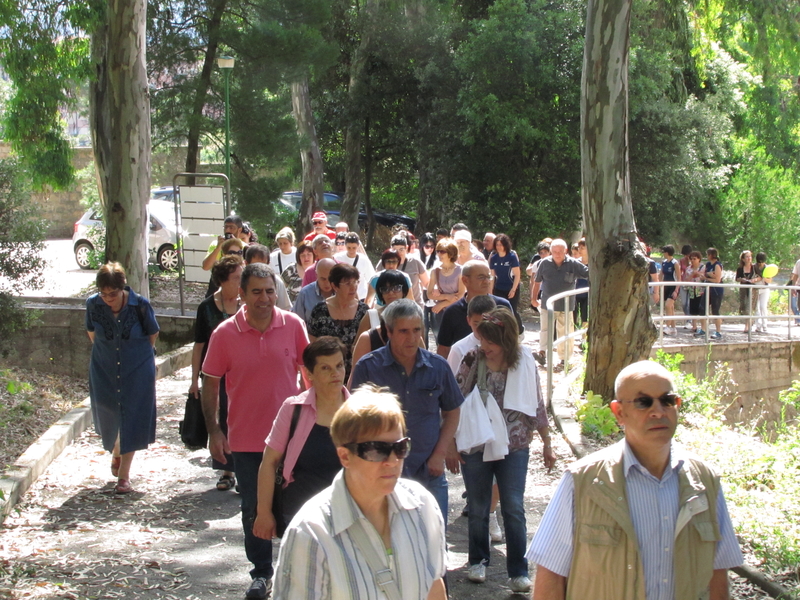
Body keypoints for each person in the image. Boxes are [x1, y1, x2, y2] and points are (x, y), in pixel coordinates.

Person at [527, 360, 743, 600]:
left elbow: (717, 573)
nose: (658, 411)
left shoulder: (705, 481)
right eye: (644, 402)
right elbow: (551, 574)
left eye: (668, 400)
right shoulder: (583, 481)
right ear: (619, 412)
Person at [272, 386, 447, 600]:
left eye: (400, 447)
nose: (392, 461)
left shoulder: (423, 506)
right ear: (345, 457)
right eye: (376, 450)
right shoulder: (310, 534)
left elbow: (434, 588)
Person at [201, 263, 309, 599]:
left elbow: (310, 376)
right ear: (242, 295)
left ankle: (299, 570)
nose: (264, 298)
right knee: (253, 508)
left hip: (293, 438)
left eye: (269, 291)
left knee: (298, 505)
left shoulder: (293, 326)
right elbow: (211, 383)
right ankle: (261, 573)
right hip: (246, 440)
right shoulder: (224, 334)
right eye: (256, 292)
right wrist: (214, 432)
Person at [454, 308, 555, 593]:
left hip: (516, 444)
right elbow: (456, 398)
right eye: (482, 340)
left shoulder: (524, 362)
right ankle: (477, 560)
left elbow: (537, 404)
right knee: (478, 505)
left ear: (507, 341)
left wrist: (547, 443)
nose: (485, 347)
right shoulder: (473, 358)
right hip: (478, 441)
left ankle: (518, 571)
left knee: (513, 506)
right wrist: (449, 442)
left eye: (492, 342)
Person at [350, 300, 464, 521]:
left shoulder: (438, 366)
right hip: (382, 474)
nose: (411, 338)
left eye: (416, 330)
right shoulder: (368, 367)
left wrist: (440, 453)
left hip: (429, 470)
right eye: (403, 331)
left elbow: (452, 412)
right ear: (388, 332)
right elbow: (355, 418)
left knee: (434, 544)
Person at [253, 337, 349, 540]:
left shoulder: (360, 411)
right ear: (309, 374)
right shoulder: (293, 409)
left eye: (339, 365)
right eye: (325, 368)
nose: (335, 373)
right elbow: (269, 462)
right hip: (300, 515)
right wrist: (264, 513)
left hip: (348, 517)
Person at [85, 262, 159, 494]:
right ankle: (117, 449)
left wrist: (137, 359)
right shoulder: (92, 305)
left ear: (123, 287)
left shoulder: (140, 305)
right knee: (110, 416)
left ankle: (124, 476)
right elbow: (92, 334)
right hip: (104, 369)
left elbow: (152, 335)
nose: (108, 298)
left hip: (136, 369)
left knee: (132, 417)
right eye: (103, 293)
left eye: (113, 293)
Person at [189, 256, 242, 491]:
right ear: (222, 280)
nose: (241, 283)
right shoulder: (207, 307)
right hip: (216, 375)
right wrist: (193, 381)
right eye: (237, 278)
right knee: (223, 419)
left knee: (244, 419)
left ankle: (246, 472)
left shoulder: (247, 305)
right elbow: (199, 345)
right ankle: (227, 470)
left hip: (244, 373)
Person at [530, 239, 589, 370]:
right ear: (551, 251)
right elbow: (537, 282)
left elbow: (589, 274)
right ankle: (542, 353)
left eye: (560, 252)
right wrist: (534, 298)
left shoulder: (573, 264)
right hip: (547, 304)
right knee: (545, 329)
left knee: (565, 331)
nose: (557, 254)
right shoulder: (544, 263)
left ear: (565, 251)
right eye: (554, 251)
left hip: (566, 305)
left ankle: (564, 359)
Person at [436, 260, 513, 359]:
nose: (486, 281)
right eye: (481, 277)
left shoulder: (502, 306)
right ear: (465, 280)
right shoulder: (452, 312)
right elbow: (444, 349)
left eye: (488, 277)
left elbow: (512, 341)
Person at [308, 264, 369, 380]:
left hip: (358, 374)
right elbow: (312, 343)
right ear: (334, 286)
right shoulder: (319, 310)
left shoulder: (364, 311)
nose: (353, 287)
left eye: (355, 282)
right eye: (347, 283)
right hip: (327, 375)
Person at [350, 270, 414, 371]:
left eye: (396, 288)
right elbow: (356, 348)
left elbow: (421, 352)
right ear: (381, 293)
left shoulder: (414, 317)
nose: (391, 293)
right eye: (385, 289)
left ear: (404, 291)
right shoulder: (371, 316)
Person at [427, 238, 465, 338]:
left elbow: (461, 294)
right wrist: (447, 297)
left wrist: (444, 303)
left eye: (442, 251)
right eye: (438, 251)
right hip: (439, 312)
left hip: (457, 310)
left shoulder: (461, 270)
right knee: (440, 341)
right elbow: (429, 294)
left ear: (451, 253)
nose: (439, 254)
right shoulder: (435, 271)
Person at [489, 233, 523, 333]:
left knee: (512, 311)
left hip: (511, 287)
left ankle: (519, 331)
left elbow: (517, 274)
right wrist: (491, 291)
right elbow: (492, 276)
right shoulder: (494, 258)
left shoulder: (512, 257)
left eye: (501, 244)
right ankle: (503, 331)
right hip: (498, 288)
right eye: (497, 244)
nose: (499, 247)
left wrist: (513, 289)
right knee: (499, 311)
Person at [244, 244, 292, 310]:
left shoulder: (276, 281)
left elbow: (285, 309)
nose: (260, 269)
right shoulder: (239, 281)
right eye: (256, 266)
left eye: (263, 265)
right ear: (246, 263)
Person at [292, 258, 336, 326]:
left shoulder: (342, 292)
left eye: (330, 279)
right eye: (323, 279)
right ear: (316, 275)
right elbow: (296, 323)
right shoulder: (305, 294)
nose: (327, 283)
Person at [388, 235, 429, 308]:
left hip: (414, 307)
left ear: (406, 248)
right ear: (391, 249)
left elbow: (427, 283)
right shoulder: (385, 263)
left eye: (401, 249)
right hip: (392, 308)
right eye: (395, 249)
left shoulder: (415, 262)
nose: (398, 253)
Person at [334, 231, 375, 300]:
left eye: (354, 248)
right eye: (349, 247)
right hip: (343, 296)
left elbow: (371, 279)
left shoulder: (364, 260)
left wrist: (370, 299)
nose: (351, 250)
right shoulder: (337, 258)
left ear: (358, 246)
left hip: (361, 297)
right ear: (345, 245)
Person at [700, 248, 724, 340]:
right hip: (708, 289)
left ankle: (718, 331)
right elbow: (707, 274)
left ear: (711, 255)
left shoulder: (717, 265)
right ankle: (703, 329)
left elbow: (717, 280)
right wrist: (709, 276)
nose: (707, 256)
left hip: (716, 290)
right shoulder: (708, 264)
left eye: (708, 254)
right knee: (702, 308)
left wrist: (708, 278)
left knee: (715, 311)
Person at [659, 245, 682, 336]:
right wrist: (659, 285)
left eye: (664, 252)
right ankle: (673, 328)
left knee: (668, 305)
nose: (663, 254)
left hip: (673, 287)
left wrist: (676, 290)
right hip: (665, 286)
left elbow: (679, 278)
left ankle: (667, 326)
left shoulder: (675, 263)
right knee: (670, 307)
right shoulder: (664, 262)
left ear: (667, 253)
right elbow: (661, 275)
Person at [685, 251, 706, 334]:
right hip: (691, 291)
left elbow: (704, 277)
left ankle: (703, 327)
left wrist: (698, 274)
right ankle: (694, 326)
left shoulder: (703, 267)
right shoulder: (688, 269)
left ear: (699, 259)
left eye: (694, 259)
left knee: (701, 309)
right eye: (691, 259)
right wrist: (692, 275)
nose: (693, 260)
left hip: (701, 291)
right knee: (692, 309)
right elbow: (686, 280)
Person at [735, 250, 757, 333]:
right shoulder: (740, 268)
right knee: (744, 307)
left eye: (750, 256)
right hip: (743, 289)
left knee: (749, 308)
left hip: (753, 289)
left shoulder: (754, 267)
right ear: (743, 259)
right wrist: (742, 279)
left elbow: (760, 277)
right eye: (747, 257)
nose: (749, 258)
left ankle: (747, 326)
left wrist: (754, 280)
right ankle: (750, 322)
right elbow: (737, 278)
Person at [573, 238, 589, 329]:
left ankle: (583, 341)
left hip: (587, 294)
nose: (580, 250)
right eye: (579, 247)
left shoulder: (594, 263)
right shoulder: (575, 262)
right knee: (572, 317)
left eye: (583, 247)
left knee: (585, 318)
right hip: (574, 293)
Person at [753, 252, 771, 333]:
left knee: (763, 307)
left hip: (764, 289)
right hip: (755, 289)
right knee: (756, 308)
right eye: (759, 262)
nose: (760, 264)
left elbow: (769, 280)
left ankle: (765, 325)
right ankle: (758, 326)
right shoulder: (753, 267)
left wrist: (763, 277)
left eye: (762, 262)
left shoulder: (767, 268)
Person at [678, 244, 693, 326]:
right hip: (683, 282)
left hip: (691, 283)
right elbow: (680, 271)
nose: (686, 256)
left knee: (689, 303)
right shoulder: (681, 260)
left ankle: (689, 320)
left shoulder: (694, 261)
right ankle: (687, 317)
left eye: (688, 254)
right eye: (685, 254)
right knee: (684, 303)